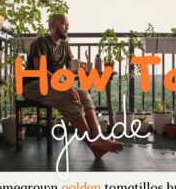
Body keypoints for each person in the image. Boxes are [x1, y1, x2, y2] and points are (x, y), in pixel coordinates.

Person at [23, 14, 123, 159]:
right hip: (33, 84)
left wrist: (84, 68)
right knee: (67, 96)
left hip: (54, 84)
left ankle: (98, 140)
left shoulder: (64, 45)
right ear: (52, 26)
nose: (67, 26)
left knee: (83, 94)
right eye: (63, 23)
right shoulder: (41, 42)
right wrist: (64, 87)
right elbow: (40, 70)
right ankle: (93, 143)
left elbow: (72, 67)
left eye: (67, 24)